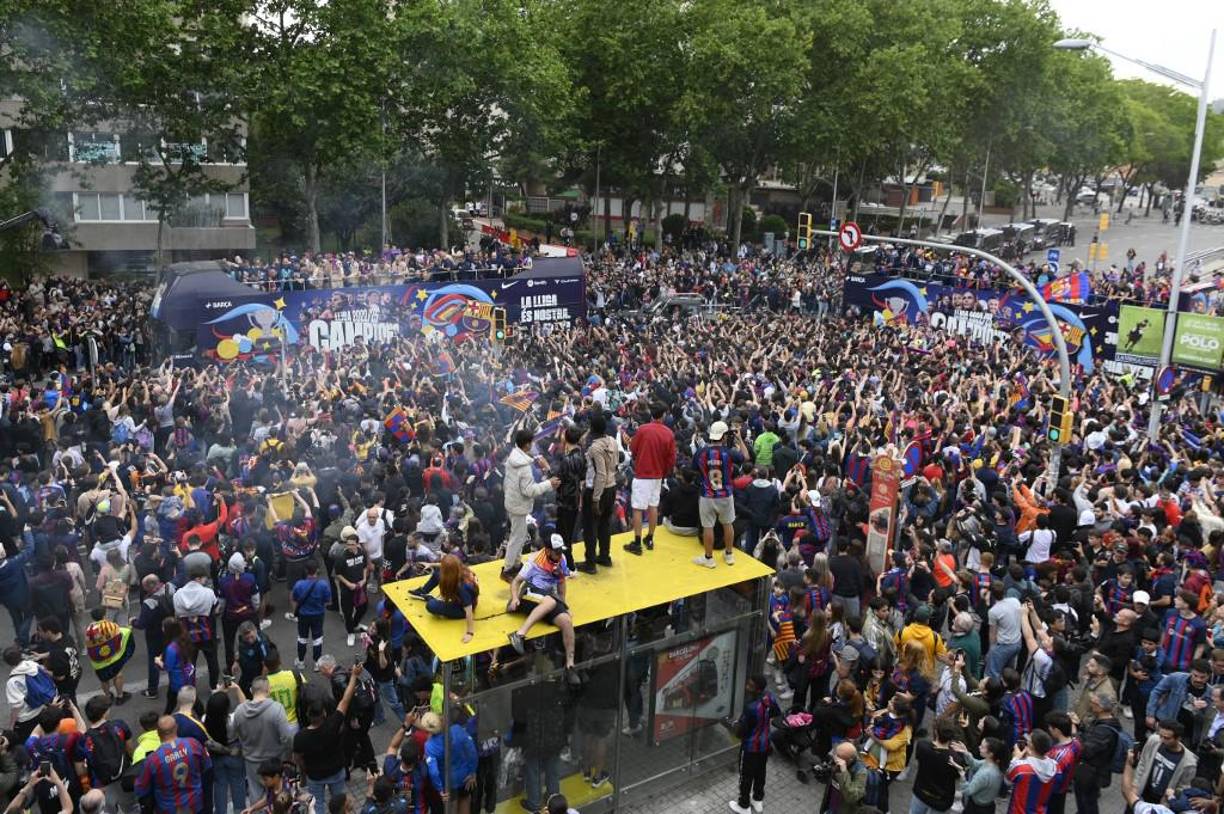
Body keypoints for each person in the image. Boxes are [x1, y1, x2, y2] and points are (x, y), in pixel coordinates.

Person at [506, 534, 581, 686]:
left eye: (561, 551)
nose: (559, 554)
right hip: (529, 593)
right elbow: (516, 582)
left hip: (548, 598)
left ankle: (570, 665)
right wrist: (514, 599)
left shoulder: (561, 560)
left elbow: (561, 583)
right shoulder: (534, 561)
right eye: (556, 552)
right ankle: (519, 635)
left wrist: (564, 605)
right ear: (548, 550)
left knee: (566, 620)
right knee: (550, 601)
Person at [294, 663, 365, 814]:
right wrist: (354, 675)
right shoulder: (333, 724)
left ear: (307, 715)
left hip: (314, 775)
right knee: (340, 804)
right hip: (336, 771)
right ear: (324, 713)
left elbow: (298, 759)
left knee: (316, 805)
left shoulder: (300, 737)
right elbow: (345, 700)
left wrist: (303, 775)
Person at [501, 429, 559, 582]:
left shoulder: (513, 457)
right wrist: (548, 484)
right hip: (519, 505)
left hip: (513, 501)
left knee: (519, 536)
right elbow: (529, 490)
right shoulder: (524, 467)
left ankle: (516, 564)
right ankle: (508, 569)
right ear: (527, 445)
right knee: (517, 538)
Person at [692, 420, 749, 569]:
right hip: (726, 495)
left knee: (708, 527)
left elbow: (694, 469)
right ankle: (729, 554)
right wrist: (739, 439)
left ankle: (708, 558)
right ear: (723, 436)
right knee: (728, 524)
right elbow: (746, 457)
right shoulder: (728, 453)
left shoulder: (701, 452)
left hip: (707, 495)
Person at [134, 715, 213, 814]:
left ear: (158, 733)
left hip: (169, 809)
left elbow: (141, 789)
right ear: (176, 727)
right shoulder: (193, 744)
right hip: (195, 805)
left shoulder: (153, 760)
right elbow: (207, 767)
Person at [625, 402, 676, 555]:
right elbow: (671, 459)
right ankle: (650, 538)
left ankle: (637, 542)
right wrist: (664, 472)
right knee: (653, 506)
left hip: (642, 474)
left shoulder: (643, 429)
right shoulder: (669, 433)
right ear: (663, 415)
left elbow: (633, 449)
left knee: (638, 508)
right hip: (658, 475)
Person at [233, 675, 294, 801]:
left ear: (251, 690)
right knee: (278, 797)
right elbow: (287, 738)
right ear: (269, 689)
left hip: (251, 762)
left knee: (256, 797)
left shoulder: (239, 711)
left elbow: (235, 733)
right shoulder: (277, 709)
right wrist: (287, 758)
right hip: (274, 761)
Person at [727, 674, 780, 814]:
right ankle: (757, 799)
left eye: (750, 686)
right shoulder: (769, 697)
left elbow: (742, 730)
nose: (747, 687)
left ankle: (743, 805)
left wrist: (735, 726)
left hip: (750, 747)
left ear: (757, 689)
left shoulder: (750, 706)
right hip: (765, 743)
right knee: (760, 772)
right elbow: (776, 712)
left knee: (746, 776)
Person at [73, 695, 134, 804]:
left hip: (100, 783)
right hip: (124, 773)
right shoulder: (119, 726)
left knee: (108, 806)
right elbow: (129, 748)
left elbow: (80, 768)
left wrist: (86, 784)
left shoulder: (84, 739)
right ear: (104, 713)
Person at [173, 558, 222, 690]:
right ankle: (213, 686)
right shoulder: (208, 593)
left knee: (189, 663)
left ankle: (190, 686)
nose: (206, 581)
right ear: (199, 578)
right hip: (206, 633)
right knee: (212, 660)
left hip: (187, 634)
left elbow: (176, 614)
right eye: (205, 578)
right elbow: (217, 608)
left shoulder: (178, 594)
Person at [408, 554, 479, 643]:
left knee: (431, 605)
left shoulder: (463, 587)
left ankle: (430, 599)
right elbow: (444, 566)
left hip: (461, 609)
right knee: (437, 574)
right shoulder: (458, 568)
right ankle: (423, 591)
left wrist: (470, 633)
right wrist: (430, 564)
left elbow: (468, 611)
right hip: (457, 596)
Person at [1072, 692, 1122, 814]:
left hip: (1092, 772)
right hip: (1091, 770)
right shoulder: (1103, 722)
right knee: (1085, 801)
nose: (1090, 705)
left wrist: (1074, 733)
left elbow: (1086, 750)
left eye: (1093, 703)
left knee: (1087, 802)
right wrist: (1080, 726)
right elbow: (1089, 736)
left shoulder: (1104, 731)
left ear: (1100, 708)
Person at [419, 711, 478, 814]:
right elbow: (471, 751)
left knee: (451, 807)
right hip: (465, 775)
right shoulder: (457, 730)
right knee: (465, 800)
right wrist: (472, 771)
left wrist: (440, 789)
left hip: (448, 782)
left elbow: (434, 772)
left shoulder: (430, 746)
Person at [1133, 720, 1198, 804]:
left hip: (1162, 802)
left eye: (1167, 738)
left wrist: (1172, 797)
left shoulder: (1189, 762)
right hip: (1142, 792)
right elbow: (1143, 762)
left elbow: (1184, 786)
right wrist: (1136, 784)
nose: (1162, 740)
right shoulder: (1153, 741)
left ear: (1178, 738)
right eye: (1160, 736)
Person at [205, 687, 248, 814]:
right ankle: (240, 810)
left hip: (216, 756)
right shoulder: (234, 719)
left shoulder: (205, 720)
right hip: (235, 752)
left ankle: (220, 811)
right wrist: (236, 689)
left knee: (219, 784)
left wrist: (218, 692)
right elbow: (245, 707)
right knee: (238, 782)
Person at [133, 573, 175, 699]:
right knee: (173, 657)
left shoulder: (149, 602)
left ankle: (152, 690)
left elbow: (142, 624)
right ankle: (175, 683)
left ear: (147, 587)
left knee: (154, 661)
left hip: (155, 635)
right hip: (171, 629)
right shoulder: (170, 589)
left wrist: (133, 622)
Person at [83, 608, 136, 706]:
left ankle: (107, 697)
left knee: (104, 680)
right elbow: (121, 635)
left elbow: (89, 646)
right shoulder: (111, 625)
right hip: (114, 658)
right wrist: (129, 628)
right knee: (118, 675)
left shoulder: (89, 631)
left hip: (99, 663)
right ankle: (120, 696)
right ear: (104, 615)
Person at [218, 552, 261, 669]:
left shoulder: (223, 581)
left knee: (229, 642)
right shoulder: (250, 578)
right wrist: (255, 609)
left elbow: (221, 603)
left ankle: (230, 666)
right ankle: (258, 660)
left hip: (230, 615)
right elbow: (255, 599)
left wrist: (222, 613)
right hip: (248, 613)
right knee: (255, 637)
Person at [910, 718, 961, 814]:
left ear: (936, 732)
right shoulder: (955, 759)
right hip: (941, 800)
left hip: (921, 792)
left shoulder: (922, 746)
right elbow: (957, 776)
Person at [332, 527, 372, 647]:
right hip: (347, 590)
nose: (350, 547)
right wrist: (348, 584)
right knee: (347, 613)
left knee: (363, 607)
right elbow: (338, 574)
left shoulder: (361, 553)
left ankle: (355, 624)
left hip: (360, 587)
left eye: (352, 544)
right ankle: (350, 633)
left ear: (357, 544)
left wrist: (364, 579)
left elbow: (364, 567)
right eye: (348, 544)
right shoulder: (341, 557)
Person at [1005, 728, 1058, 814]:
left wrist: (1015, 759)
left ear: (1031, 745)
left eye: (1028, 740)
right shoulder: (1055, 766)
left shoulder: (1021, 768)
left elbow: (1007, 780)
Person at [291, 562, 332, 671]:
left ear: (306, 571)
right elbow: (327, 601)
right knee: (317, 639)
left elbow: (294, 599)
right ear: (317, 570)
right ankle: (317, 664)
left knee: (302, 638)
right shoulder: (323, 585)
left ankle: (301, 662)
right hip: (318, 615)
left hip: (303, 616)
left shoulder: (299, 584)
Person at [952, 736, 1006, 814]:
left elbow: (968, 791)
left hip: (977, 809)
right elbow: (975, 764)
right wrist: (966, 753)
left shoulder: (985, 774)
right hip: (988, 805)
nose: (979, 747)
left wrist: (962, 776)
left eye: (982, 747)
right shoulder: (993, 763)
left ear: (991, 754)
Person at [1044, 711, 1082, 814]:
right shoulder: (1076, 743)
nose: (1049, 729)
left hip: (1052, 791)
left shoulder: (1056, 754)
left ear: (1057, 730)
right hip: (1064, 787)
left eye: (1050, 727)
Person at [156, 617, 196, 715]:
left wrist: (158, 661)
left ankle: (165, 717)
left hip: (177, 679)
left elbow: (167, 667)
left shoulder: (171, 648)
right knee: (188, 698)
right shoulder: (184, 638)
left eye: (163, 627)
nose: (162, 629)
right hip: (188, 675)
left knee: (172, 700)